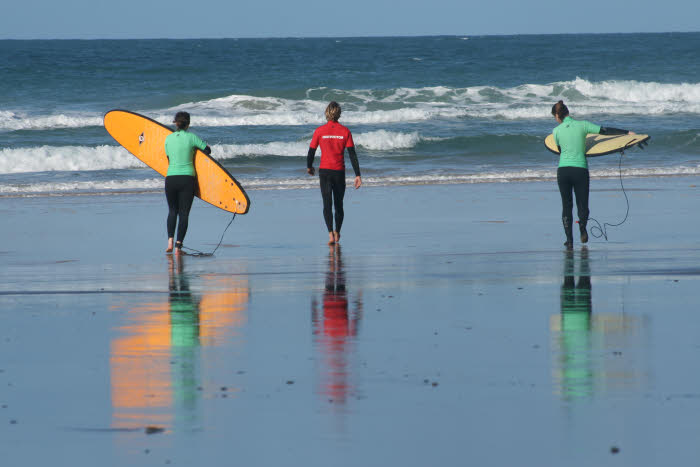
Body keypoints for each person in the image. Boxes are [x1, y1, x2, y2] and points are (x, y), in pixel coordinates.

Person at [551, 100, 634, 249]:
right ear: (568, 112)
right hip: (580, 170)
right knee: (582, 204)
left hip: (563, 171)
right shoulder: (583, 125)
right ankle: (582, 229)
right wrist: (626, 133)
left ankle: (569, 241)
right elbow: (604, 130)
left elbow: (559, 150)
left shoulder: (556, 131)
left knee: (566, 205)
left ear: (557, 116)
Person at [307, 101, 362, 244]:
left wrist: (309, 166)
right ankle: (338, 232)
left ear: (326, 113)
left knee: (327, 204)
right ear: (339, 114)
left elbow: (311, 151)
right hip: (339, 172)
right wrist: (358, 175)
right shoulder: (345, 131)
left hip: (324, 172)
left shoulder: (319, 131)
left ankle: (330, 234)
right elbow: (352, 154)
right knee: (338, 204)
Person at [164, 111, 211, 254]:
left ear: (175, 123)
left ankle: (170, 242)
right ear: (188, 124)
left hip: (170, 178)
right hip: (187, 179)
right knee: (184, 213)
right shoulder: (192, 137)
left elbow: (168, 158)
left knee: (172, 211)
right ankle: (179, 247)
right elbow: (208, 151)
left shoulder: (168, 138)